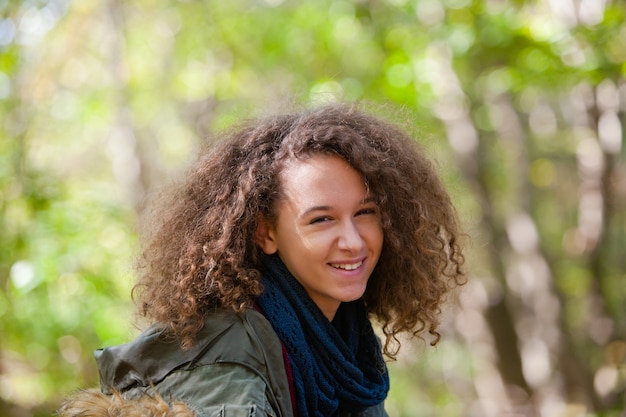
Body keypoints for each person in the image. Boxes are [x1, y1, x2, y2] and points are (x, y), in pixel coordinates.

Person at [58, 103, 465, 417]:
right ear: (265, 233)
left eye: (365, 212)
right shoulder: (227, 361)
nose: (353, 240)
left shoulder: (345, 336)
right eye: (322, 219)